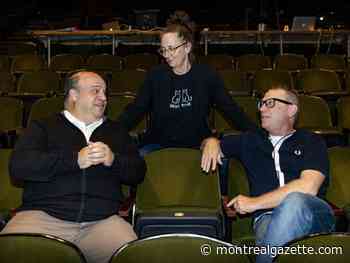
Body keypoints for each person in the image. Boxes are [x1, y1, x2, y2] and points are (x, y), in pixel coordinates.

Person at [0, 71, 146, 263]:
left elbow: (138, 172)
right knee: (8, 250)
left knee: (135, 256)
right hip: (43, 217)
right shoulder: (43, 127)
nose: (103, 97)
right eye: (96, 91)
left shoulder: (116, 131)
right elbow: (19, 167)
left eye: (104, 92)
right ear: (74, 94)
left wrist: (113, 160)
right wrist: (74, 160)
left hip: (101, 222)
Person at [201, 85, 335, 263]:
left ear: (291, 109)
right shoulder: (250, 141)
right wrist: (211, 141)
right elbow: (208, 146)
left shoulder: (310, 140)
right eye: (262, 104)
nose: (262, 109)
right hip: (267, 217)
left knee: (294, 201)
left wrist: (254, 203)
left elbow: (308, 187)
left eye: (270, 103)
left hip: (312, 213)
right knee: (271, 233)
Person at [117, 10, 256, 156]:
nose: (167, 56)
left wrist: (259, 134)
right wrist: (108, 133)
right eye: (163, 50)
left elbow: (231, 110)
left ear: (187, 47)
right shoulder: (155, 76)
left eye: (172, 49)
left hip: (198, 145)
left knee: (222, 160)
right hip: (158, 145)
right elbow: (134, 111)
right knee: (138, 162)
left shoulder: (207, 76)